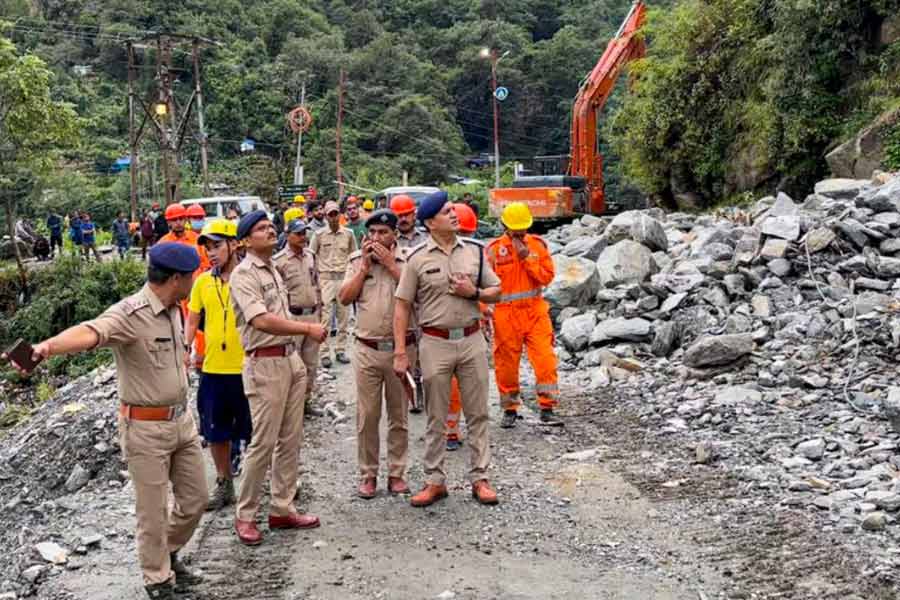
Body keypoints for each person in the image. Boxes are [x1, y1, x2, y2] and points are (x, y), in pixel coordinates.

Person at [4, 243, 207, 600]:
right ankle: (158, 581)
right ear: (177, 278)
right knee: (153, 512)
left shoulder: (176, 308)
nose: (195, 279)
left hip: (182, 423)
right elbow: (91, 331)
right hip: (146, 429)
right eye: (191, 275)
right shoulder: (130, 313)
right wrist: (46, 348)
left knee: (195, 500)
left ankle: (167, 552)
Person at [393, 190, 502, 507]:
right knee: (436, 416)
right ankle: (434, 481)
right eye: (445, 211)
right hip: (434, 342)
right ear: (429, 222)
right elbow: (402, 307)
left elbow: (496, 290)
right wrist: (401, 352)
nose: (454, 214)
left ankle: (480, 478)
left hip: (471, 339)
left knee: (478, 412)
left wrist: (475, 292)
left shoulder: (475, 252)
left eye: (453, 209)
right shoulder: (416, 259)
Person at [229, 210, 327, 546]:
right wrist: (307, 329)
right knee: (264, 443)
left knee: (291, 439)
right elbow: (262, 321)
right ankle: (246, 514)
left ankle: (282, 508)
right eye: (260, 228)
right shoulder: (243, 274)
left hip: (289, 360)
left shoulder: (273, 268)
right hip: (265, 364)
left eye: (271, 226)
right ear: (244, 240)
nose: (270, 230)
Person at [339, 209, 416, 498]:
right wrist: (364, 268)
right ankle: (368, 474)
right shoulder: (356, 262)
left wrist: (390, 265)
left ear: (395, 234)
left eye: (383, 233)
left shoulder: (409, 261)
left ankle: (397, 473)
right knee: (368, 415)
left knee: (399, 414)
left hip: (401, 349)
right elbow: (344, 299)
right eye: (371, 233)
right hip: (366, 349)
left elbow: (419, 295)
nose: (376, 238)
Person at [185, 220, 252, 511]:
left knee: (258, 431)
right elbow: (192, 318)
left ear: (234, 244)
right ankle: (225, 484)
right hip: (213, 368)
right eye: (208, 248)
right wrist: (186, 345)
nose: (211, 253)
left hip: (249, 367)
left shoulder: (250, 277)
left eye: (216, 246)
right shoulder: (202, 282)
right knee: (216, 432)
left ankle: (276, 483)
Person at [486, 202, 561, 428]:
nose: (519, 233)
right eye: (515, 229)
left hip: (535, 311)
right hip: (505, 314)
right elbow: (483, 282)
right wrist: (483, 311)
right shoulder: (493, 250)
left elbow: (546, 277)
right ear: (505, 226)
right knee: (506, 364)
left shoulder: (537, 246)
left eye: (523, 229)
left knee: (545, 360)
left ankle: (547, 407)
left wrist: (527, 258)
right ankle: (509, 408)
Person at [444, 202, 492, 451]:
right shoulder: (475, 254)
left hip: (460, 329)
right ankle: (454, 429)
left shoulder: (474, 255)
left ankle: (451, 429)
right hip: (460, 328)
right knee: (465, 383)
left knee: (453, 383)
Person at [273, 218, 324, 418]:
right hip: (292, 318)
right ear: (288, 235)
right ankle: (290, 406)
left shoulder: (311, 256)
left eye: (305, 233)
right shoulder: (279, 261)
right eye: (299, 233)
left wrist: (320, 313)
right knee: (292, 364)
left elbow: (316, 285)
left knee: (311, 364)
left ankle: (305, 402)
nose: (304, 237)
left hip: (311, 315)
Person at [310, 201, 357, 368]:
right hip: (326, 279)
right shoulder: (319, 235)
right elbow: (311, 257)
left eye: (335, 213)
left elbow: (354, 257)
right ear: (326, 216)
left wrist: (353, 279)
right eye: (330, 214)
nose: (333, 217)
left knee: (344, 316)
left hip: (344, 277)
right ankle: (324, 352)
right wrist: (315, 282)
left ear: (340, 214)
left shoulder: (349, 234)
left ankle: (340, 349)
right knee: (325, 316)